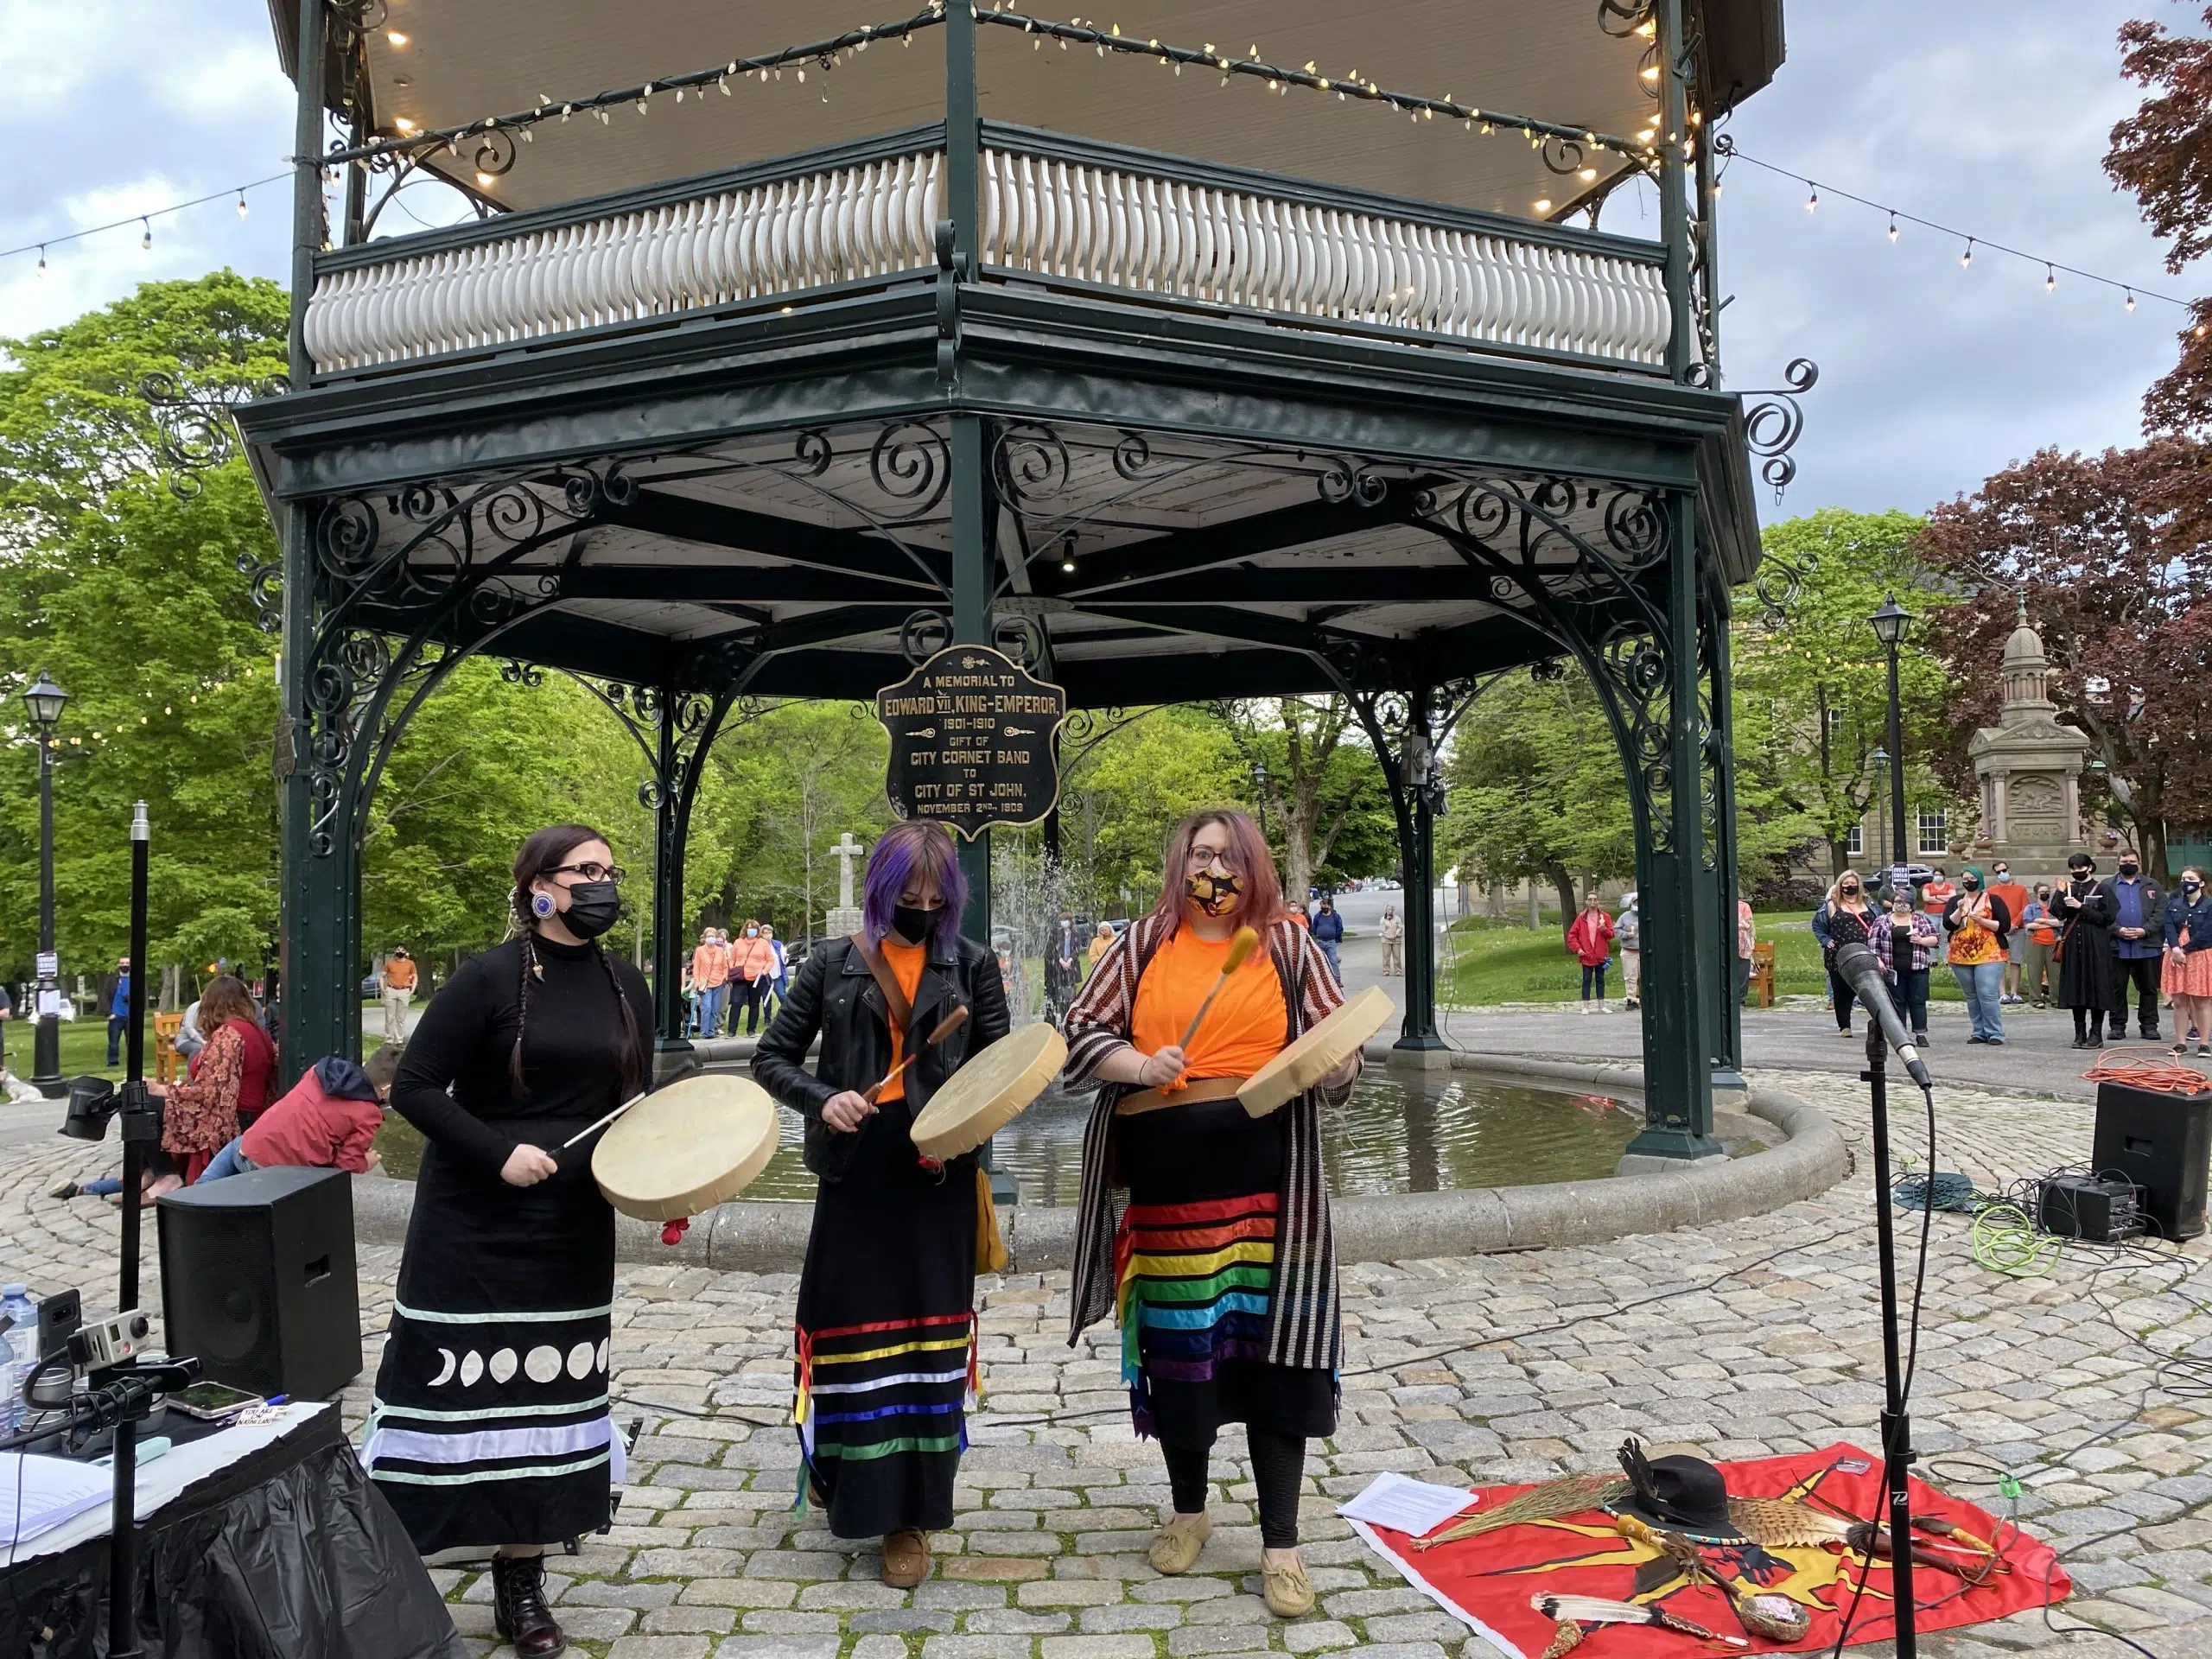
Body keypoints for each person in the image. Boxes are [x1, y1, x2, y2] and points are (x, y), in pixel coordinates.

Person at [1062, 809, 1357, 1620]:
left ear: (1253, 864)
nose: (1214, 868)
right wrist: (1140, 1061)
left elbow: (1340, 1049)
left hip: (1271, 1195)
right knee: (1184, 1357)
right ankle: (1189, 1511)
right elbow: (1080, 1033)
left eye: (1228, 855)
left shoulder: (1288, 944)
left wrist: (1336, 1061)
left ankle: (1282, 1546)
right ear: (1180, 862)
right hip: (1167, 1192)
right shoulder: (1140, 943)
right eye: (1201, 853)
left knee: (1277, 1360)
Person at [360, 826, 646, 1656]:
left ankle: (521, 1577)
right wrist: (499, 1152)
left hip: (571, 1226)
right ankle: (390, 1567)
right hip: (473, 1221)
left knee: (547, 1401)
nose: (603, 882)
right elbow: (411, 1087)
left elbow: (636, 1104)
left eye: (609, 870)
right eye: (585, 870)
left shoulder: (627, 983)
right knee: (444, 1388)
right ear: (540, 888)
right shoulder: (486, 977)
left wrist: (670, 1180)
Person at [753, 820, 1009, 1589]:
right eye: (908, 896)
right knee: (850, 1337)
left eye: (936, 899)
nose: (922, 909)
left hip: (936, 1179)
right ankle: (845, 1474)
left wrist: (960, 1135)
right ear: (879, 892)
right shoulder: (830, 963)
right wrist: (823, 1098)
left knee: (929, 1347)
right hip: (855, 1174)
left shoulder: (973, 966)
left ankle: (911, 1517)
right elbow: (770, 1058)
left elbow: (1001, 1077)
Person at [199, 1045, 401, 1181]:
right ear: (387, 1088)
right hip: (271, 1171)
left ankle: (198, 1191)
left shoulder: (321, 1072)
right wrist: (366, 1163)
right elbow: (346, 1165)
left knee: (244, 1142)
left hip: (247, 1147)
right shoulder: (368, 1114)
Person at [148, 975, 276, 1188]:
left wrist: (162, 1089)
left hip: (230, 1118)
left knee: (144, 1104)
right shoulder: (257, 1033)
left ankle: (165, 1176)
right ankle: (150, 1173)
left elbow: (210, 1093)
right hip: (248, 1115)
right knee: (146, 1099)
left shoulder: (230, 1033)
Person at [2055, 854, 2120, 1049]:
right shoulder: (2068, 888)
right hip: (2074, 942)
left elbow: (2107, 917)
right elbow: (2058, 914)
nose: (2076, 871)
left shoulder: (2103, 889)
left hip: (2096, 943)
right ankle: (2079, 1032)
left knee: (2097, 986)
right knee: (2076, 986)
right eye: (2073, 868)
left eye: (2080, 867)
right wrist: (2060, 895)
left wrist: (2081, 907)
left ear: (2089, 867)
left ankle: (2096, 1033)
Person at [1943, 867, 2011, 1045]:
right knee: (1972, 995)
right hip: (1960, 954)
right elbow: (1948, 925)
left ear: (1979, 880)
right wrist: (1958, 910)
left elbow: (2005, 925)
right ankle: (1978, 1031)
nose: (1968, 881)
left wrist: (1982, 921)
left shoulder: (1993, 900)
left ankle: (1995, 1032)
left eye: (1972, 878)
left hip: (1989, 952)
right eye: (1965, 878)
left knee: (1987, 993)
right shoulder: (1955, 901)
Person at [2103, 853, 2165, 1042]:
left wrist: (2144, 930)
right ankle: (2117, 1027)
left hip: (2146, 946)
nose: (2128, 865)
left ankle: (2149, 1026)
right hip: (2117, 946)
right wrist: (2117, 930)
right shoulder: (2107, 885)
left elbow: (2161, 911)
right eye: (2124, 862)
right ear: (2118, 864)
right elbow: (2100, 913)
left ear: (2138, 863)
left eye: (2132, 862)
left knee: (2148, 989)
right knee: (2117, 989)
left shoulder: (2152, 885)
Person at [1873, 888, 1941, 1046]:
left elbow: (1935, 939)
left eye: (1905, 903)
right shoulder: (1882, 921)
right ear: (1892, 904)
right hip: (1892, 968)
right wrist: (1878, 960)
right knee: (1897, 1002)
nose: (1901, 906)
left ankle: (1920, 1033)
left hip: (1918, 967)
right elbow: (1873, 944)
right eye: (1897, 902)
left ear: (1911, 905)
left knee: (1918, 1001)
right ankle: (1900, 1033)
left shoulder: (1920, 920)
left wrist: (1922, 941)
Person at [2164, 868, 2212, 1058]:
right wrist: (2175, 948)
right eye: (2183, 878)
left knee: (2202, 1000)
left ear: (2201, 883)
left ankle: (2204, 1043)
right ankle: (2180, 1043)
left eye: (2191, 878)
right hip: (2175, 956)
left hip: (2199, 954)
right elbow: (2168, 926)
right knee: (2179, 1001)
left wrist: (2185, 949)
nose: (2186, 882)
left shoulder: (2209, 906)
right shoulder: (2173, 904)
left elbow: (2207, 932)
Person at [1822, 873, 1876, 1036]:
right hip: (1840, 953)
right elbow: (1819, 926)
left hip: (1865, 953)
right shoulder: (1832, 905)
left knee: (1870, 989)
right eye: (1846, 883)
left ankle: (1879, 1023)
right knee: (1841, 991)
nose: (1849, 886)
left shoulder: (1868, 903)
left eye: (1853, 883)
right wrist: (1825, 939)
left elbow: (1879, 922)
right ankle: (1844, 1026)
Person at [1986, 862, 2030, 1005]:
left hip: (2018, 929)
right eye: (1998, 872)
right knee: (2000, 961)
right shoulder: (1992, 891)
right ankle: (2002, 993)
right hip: (1999, 930)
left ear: (2009, 870)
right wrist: (2002, 926)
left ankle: (2014, 992)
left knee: (2016, 961)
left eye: (2004, 870)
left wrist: (2015, 924)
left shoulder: (2021, 889)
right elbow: (1991, 910)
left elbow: (2025, 908)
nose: (2002, 874)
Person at [1565, 891, 1615, 1013]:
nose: (1593, 902)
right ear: (1586, 902)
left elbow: (1611, 934)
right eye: (1590, 899)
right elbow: (1572, 935)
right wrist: (1578, 949)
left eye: (1595, 899)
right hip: (1587, 955)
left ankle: (1601, 1005)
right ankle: (1585, 1006)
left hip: (1600, 955)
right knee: (1586, 980)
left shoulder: (1605, 917)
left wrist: (1604, 930)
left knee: (1600, 980)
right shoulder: (1581, 918)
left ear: (1598, 901)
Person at [728, 921, 777, 1037]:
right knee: (736, 1003)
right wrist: (733, 968)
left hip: (757, 978)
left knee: (754, 1004)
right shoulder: (738, 942)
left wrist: (764, 971)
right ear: (745, 930)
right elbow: (731, 958)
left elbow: (770, 959)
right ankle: (731, 1031)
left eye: (754, 929)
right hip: (741, 976)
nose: (751, 931)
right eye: (749, 928)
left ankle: (751, 1030)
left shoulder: (763, 943)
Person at [2020, 883, 2059, 1008]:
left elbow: (2061, 922)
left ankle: (2056, 999)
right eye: (2042, 891)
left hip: (2053, 942)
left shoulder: (2054, 907)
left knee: (2055, 974)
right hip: (2035, 942)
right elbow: (2029, 925)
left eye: (2047, 891)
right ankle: (2036, 999)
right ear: (2037, 894)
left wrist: (2042, 921)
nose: (2045, 893)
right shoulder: (2030, 908)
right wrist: (2051, 924)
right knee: (2034, 972)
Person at [689, 927, 730, 1039]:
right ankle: (704, 1033)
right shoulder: (700, 951)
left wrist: (724, 977)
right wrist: (697, 981)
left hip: (718, 983)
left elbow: (725, 966)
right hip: (704, 984)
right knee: (706, 1008)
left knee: (715, 1009)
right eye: (709, 936)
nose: (711, 938)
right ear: (705, 938)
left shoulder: (720, 951)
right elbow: (696, 968)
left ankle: (711, 1032)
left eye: (713, 936)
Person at [380, 946, 418, 1046]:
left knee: (401, 1018)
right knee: (390, 1017)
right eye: (398, 950)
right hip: (391, 990)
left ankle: (399, 1040)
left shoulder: (410, 964)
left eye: (402, 950)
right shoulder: (389, 963)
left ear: (405, 952)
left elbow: (415, 977)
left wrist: (413, 989)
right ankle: (388, 1040)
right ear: (395, 952)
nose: (400, 952)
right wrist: (383, 989)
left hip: (404, 991)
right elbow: (382, 975)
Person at [102, 956, 132, 1068]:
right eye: (122, 963)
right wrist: (109, 1013)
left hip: (130, 1017)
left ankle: (132, 1063)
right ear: (119, 965)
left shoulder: (136, 979)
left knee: (132, 1042)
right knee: (114, 1042)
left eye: (127, 963)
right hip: (116, 1017)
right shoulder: (111, 980)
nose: (124, 965)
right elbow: (104, 997)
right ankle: (113, 1062)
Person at [1612, 893, 1639, 1010]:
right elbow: (1616, 930)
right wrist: (1627, 935)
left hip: (1642, 951)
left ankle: (1643, 998)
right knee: (1631, 976)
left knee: (1643, 976)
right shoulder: (1625, 916)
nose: (1637, 904)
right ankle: (1631, 999)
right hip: (1629, 951)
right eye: (1635, 902)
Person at [1309, 897, 1344, 982]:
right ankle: (1324, 979)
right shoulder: (1318, 916)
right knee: (1322, 961)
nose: (1323, 908)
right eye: (1322, 906)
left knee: (1333, 960)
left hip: (1331, 941)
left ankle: (1337, 978)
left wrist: (1335, 935)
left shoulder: (1335, 916)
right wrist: (1317, 934)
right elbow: (1314, 927)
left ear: (1329, 906)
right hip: (1320, 941)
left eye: (1325, 906)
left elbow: (1340, 928)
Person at [760, 924, 789, 1021]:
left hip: (777, 975)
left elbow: (783, 960)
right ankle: (767, 1019)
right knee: (766, 998)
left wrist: (785, 958)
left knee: (782, 995)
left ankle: (786, 1015)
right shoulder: (759, 945)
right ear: (762, 934)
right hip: (765, 976)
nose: (768, 935)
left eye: (770, 932)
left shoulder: (777, 944)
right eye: (766, 933)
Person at [1737, 897, 1757, 1007]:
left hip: (1743, 946)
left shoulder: (1744, 906)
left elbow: (1748, 924)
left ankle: (1741, 999)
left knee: (1742, 972)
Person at [1378, 905, 1405, 977]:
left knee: (1397, 956)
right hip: (1386, 940)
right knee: (1386, 956)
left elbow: (1400, 927)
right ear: (1386, 910)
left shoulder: (1397, 918)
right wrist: (1389, 936)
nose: (1390, 911)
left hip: (1396, 939)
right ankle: (1386, 970)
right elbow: (1383, 930)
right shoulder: (1383, 919)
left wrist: (1396, 934)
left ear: (1393, 910)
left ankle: (1398, 971)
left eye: (1392, 909)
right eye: (1389, 909)